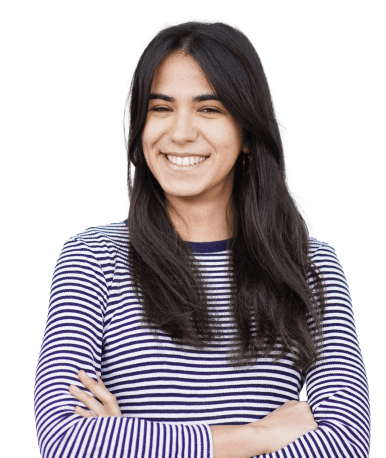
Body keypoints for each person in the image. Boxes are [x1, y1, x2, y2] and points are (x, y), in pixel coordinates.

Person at [34, 18, 370, 458]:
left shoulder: (309, 267)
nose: (180, 132)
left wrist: (131, 440)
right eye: (161, 108)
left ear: (248, 133)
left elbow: (345, 443)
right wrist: (256, 437)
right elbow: (64, 440)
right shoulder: (93, 258)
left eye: (209, 109)